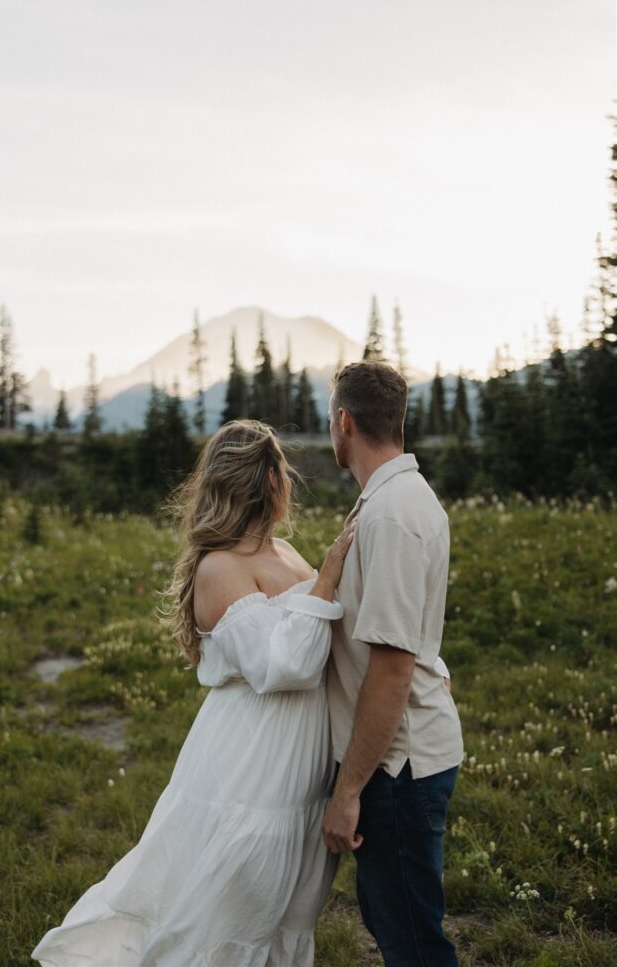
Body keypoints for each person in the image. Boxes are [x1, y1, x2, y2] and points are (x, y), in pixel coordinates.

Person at [31, 417, 452, 967]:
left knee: (288, 907)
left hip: (300, 764)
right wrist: (325, 578)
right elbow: (289, 665)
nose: (286, 484)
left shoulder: (282, 552)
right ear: (264, 484)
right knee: (232, 907)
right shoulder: (220, 566)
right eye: (280, 473)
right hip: (252, 763)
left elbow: (338, 632)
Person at [321, 361, 464, 967]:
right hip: (393, 761)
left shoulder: (392, 514)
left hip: (398, 767)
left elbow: (393, 667)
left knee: (412, 942)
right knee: (393, 922)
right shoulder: (387, 502)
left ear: (344, 422)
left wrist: (348, 790)